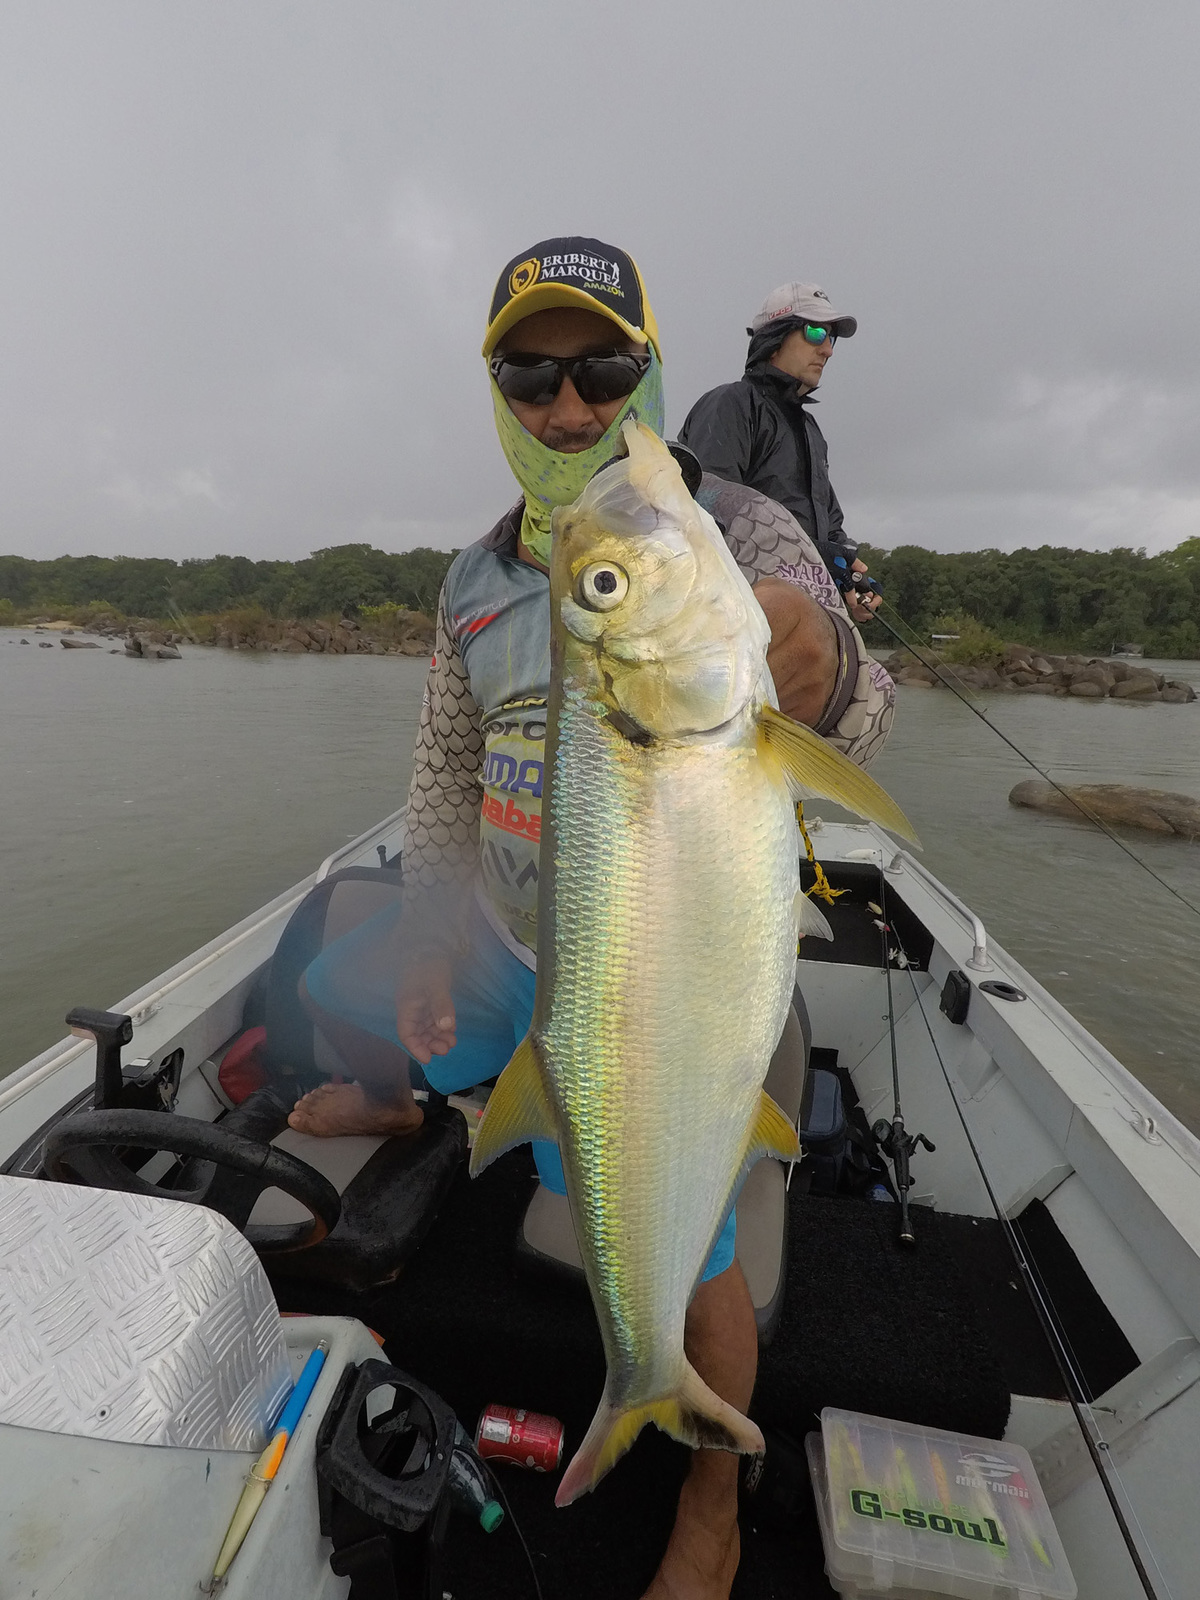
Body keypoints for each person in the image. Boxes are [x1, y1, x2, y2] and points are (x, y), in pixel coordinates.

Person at [287, 237, 894, 1600]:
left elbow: (861, 701)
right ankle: (422, 1101)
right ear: (497, 388)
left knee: (693, 1253)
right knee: (342, 956)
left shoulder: (726, 527)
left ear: (651, 368)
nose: (567, 405)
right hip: (513, 948)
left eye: (602, 368)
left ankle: (710, 1487)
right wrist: (437, 932)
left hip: (651, 984)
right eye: (531, 372)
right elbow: (444, 771)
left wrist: (821, 655)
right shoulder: (472, 579)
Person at [679, 280, 881, 622]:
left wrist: (851, 569)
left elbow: (829, 526)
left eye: (830, 338)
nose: (827, 350)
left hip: (807, 621)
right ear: (773, 340)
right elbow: (705, 515)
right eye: (815, 333)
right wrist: (814, 556)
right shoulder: (731, 404)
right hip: (740, 621)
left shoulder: (810, 429)